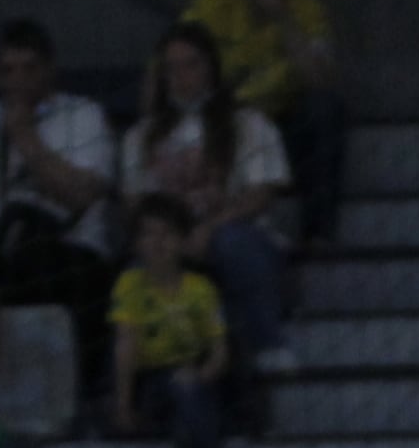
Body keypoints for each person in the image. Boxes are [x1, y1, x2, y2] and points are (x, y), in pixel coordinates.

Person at [0, 16, 122, 358]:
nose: (18, 80)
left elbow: (81, 194)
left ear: (49, 69)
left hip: (68, 254)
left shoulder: (84, 116)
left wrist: (25, 136)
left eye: (29, 69)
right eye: (8, 70)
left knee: (46, 266)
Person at [123, 21, 298, 368]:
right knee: (137, 268)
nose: (181, 76)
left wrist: (208, 229)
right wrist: (173, 239)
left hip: (235, 234)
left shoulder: (249, 124)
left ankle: (269, 344)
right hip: (167, 241)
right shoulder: (140, 136)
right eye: (171, 68)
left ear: (212, 69)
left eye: (191, 64)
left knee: (234, 243)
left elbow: (261, 193)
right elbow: (135, 203)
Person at [179, 0, 348, 234]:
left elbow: (320, 79)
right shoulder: (209, 6)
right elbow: (173, 65)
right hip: (226, 130)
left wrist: (283, 19)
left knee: (325, 109)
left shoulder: (308, 12)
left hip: (285, 130)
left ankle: (319, 233)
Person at [108, 199, 250, 448]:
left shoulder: (201, 288)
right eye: (148, 234)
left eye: (167, 234)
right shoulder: (130, 285)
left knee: (188, 421)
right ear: (136, 243)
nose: (158, 243)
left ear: (183, 241)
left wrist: (199, 379)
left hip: (197, 379)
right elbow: (125, 345)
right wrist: (123, 405)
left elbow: (219, 352)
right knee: (180, 391)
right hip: (151, 385)